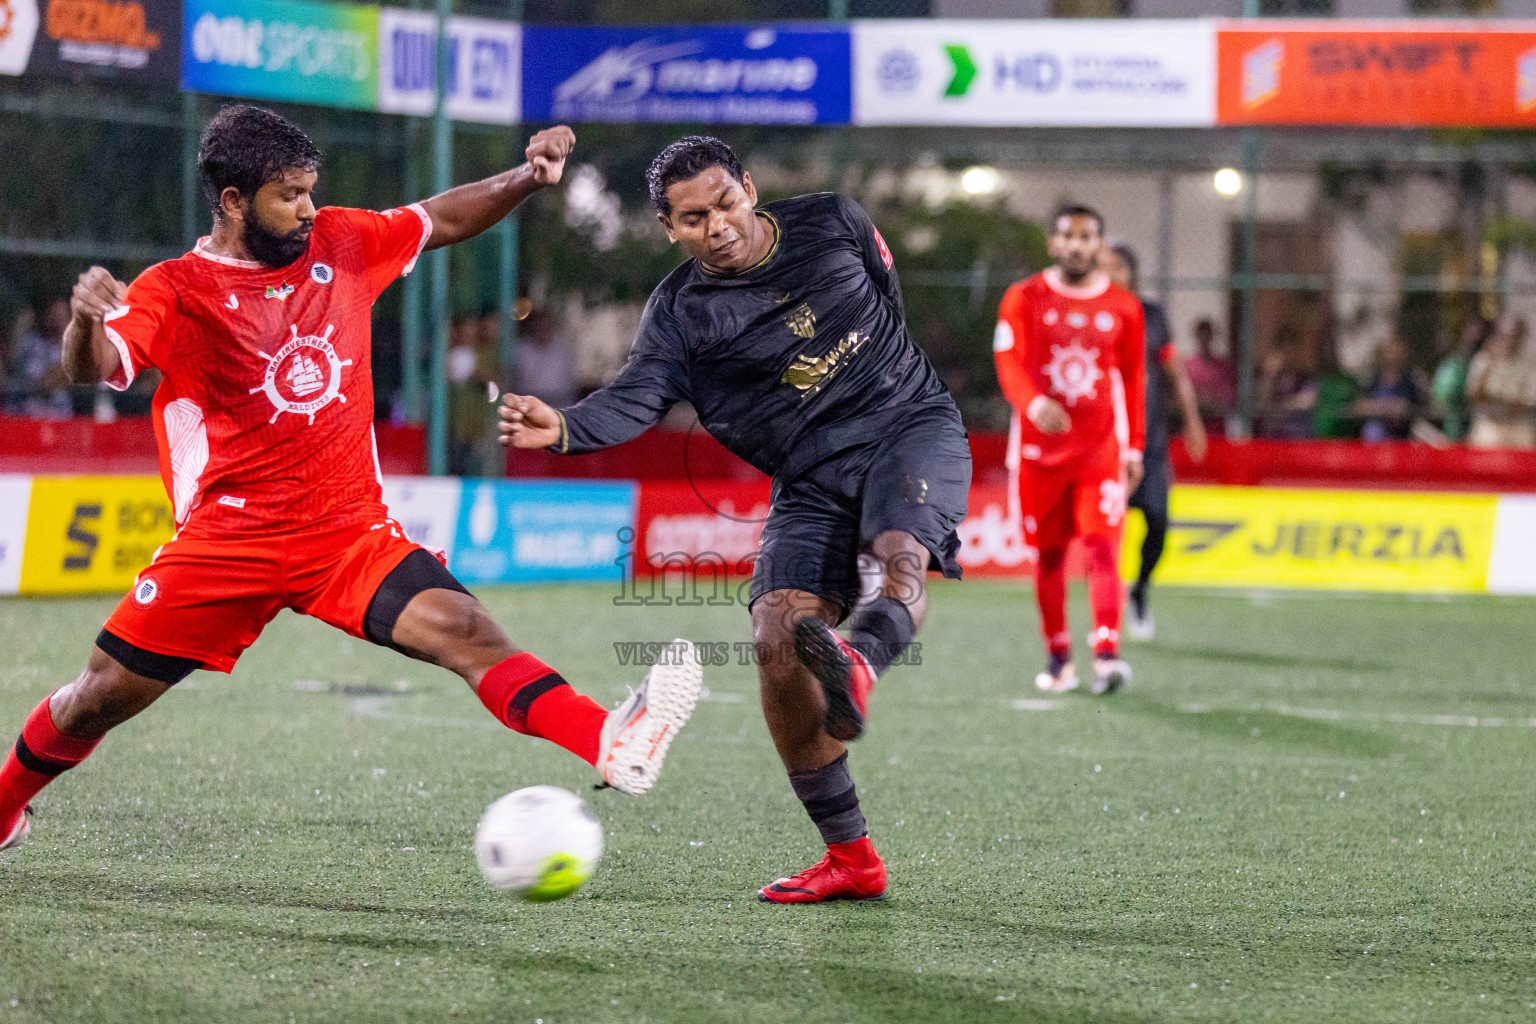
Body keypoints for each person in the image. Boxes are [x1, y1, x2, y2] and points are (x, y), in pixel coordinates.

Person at [0, 106, 702, 858]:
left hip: (346, 532)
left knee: (469, 634)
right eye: (288, 195)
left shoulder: (340, 239)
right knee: (93, 700)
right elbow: (92, 369)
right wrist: (82, 321)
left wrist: (528, 178)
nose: (307, 208)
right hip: (227, 540)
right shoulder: (175, 288)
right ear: (233, 201)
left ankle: (610, 738)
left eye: (310, 190)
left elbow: (439, 219)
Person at [500, 136, 970, 904]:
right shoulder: (682, 316)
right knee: (777, 636)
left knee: (901, 553)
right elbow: (637, 396)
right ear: (669, 229)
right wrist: (564, 427)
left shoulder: (832, 221)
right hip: (811, 476)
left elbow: (887, 295)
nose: (716, 226)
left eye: (724, 203)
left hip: (909, 426)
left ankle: (861, 663)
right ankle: (851, 858)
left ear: (750, 189)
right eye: (693, 218)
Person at [993, 205, 1145, 696]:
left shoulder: (1124, 307)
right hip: (1038, 458)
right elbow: (1007, 358)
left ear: (1099, 245)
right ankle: (1059, 657)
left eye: (1087, 237)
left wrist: (1135, 448)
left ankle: (1107, 654)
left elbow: (1135, 381)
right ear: (1053, 243)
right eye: (1068, 235)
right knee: (1050, 558)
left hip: (1100, 454)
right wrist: (1032, 403)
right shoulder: (1024, 297)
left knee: (1104, 550)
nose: (1077, 245)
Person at [1099, 242, 1206, 643]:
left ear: (1131, 273)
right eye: (1104, 267)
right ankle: (1105, 616)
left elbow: (1174, 371)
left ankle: (1140, 590)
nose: (1111, 275)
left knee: (1158, 522)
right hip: (1104, 448)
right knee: (1105, 536)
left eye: (1118, 268)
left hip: (1151, 446)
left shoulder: (1153, 317)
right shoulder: (1088, 315)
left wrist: (1192, 420)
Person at [1466, 315, 1536, 449]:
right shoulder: (1484, 360)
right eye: (1507, 335)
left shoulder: (1528, 365)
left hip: (1519, 427)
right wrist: (1489, 365)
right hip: (1490, 426)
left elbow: (1530, 400)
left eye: (1516, 336)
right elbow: (1473, 394)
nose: (1511, 341)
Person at [1356, 336, 1425, 443]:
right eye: (1389, 352)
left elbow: (1403, 410)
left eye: (1396, 353)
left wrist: (1376, 408)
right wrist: (1387, 408)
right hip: (1370, 444)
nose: (1392, 357)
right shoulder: (1373, 381)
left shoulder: (1410, 384)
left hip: (1398, 441)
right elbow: (1360, 406)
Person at [1432, 318, 1490, 443]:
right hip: (1452, 430)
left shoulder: (1490, 364)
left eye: (1480, 334)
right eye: (1471, 333)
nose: (1475, 338)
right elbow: (1440, 401)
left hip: (1482, 431)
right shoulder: (1450, 365)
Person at [1184, 317, 1236, 423]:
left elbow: (1227, 398)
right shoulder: (1188, 367)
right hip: (1194, 423)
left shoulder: (1222, 367)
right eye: (1201, 336)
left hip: (1216, 425)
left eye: (1207, 336)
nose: (1204, 340)